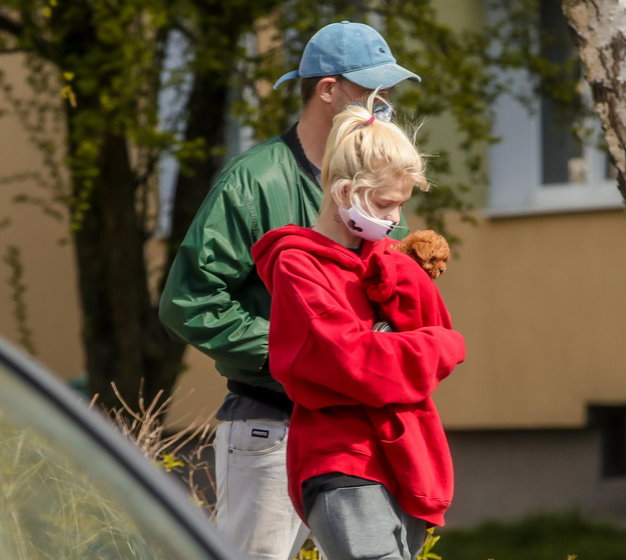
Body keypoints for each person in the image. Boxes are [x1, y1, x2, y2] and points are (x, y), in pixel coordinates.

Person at [158, 21, 420, 560]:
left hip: (355, 432)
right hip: (269, 429)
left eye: (389, 92)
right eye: (374, 89)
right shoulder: (254, 180)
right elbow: (189, 302)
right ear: (328, 90)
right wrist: (297, 352)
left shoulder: (375, 177)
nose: (385, 103)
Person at [251, 92, 466, 560]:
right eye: (387, 205)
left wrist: (386, 338)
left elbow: (447, 342)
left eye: (400, 206)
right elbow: (355, 364)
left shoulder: (390, 260)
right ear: (346, 193)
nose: (395, 220)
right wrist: (401, 350)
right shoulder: (297, 266)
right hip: (342, 461)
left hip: (406, 460)